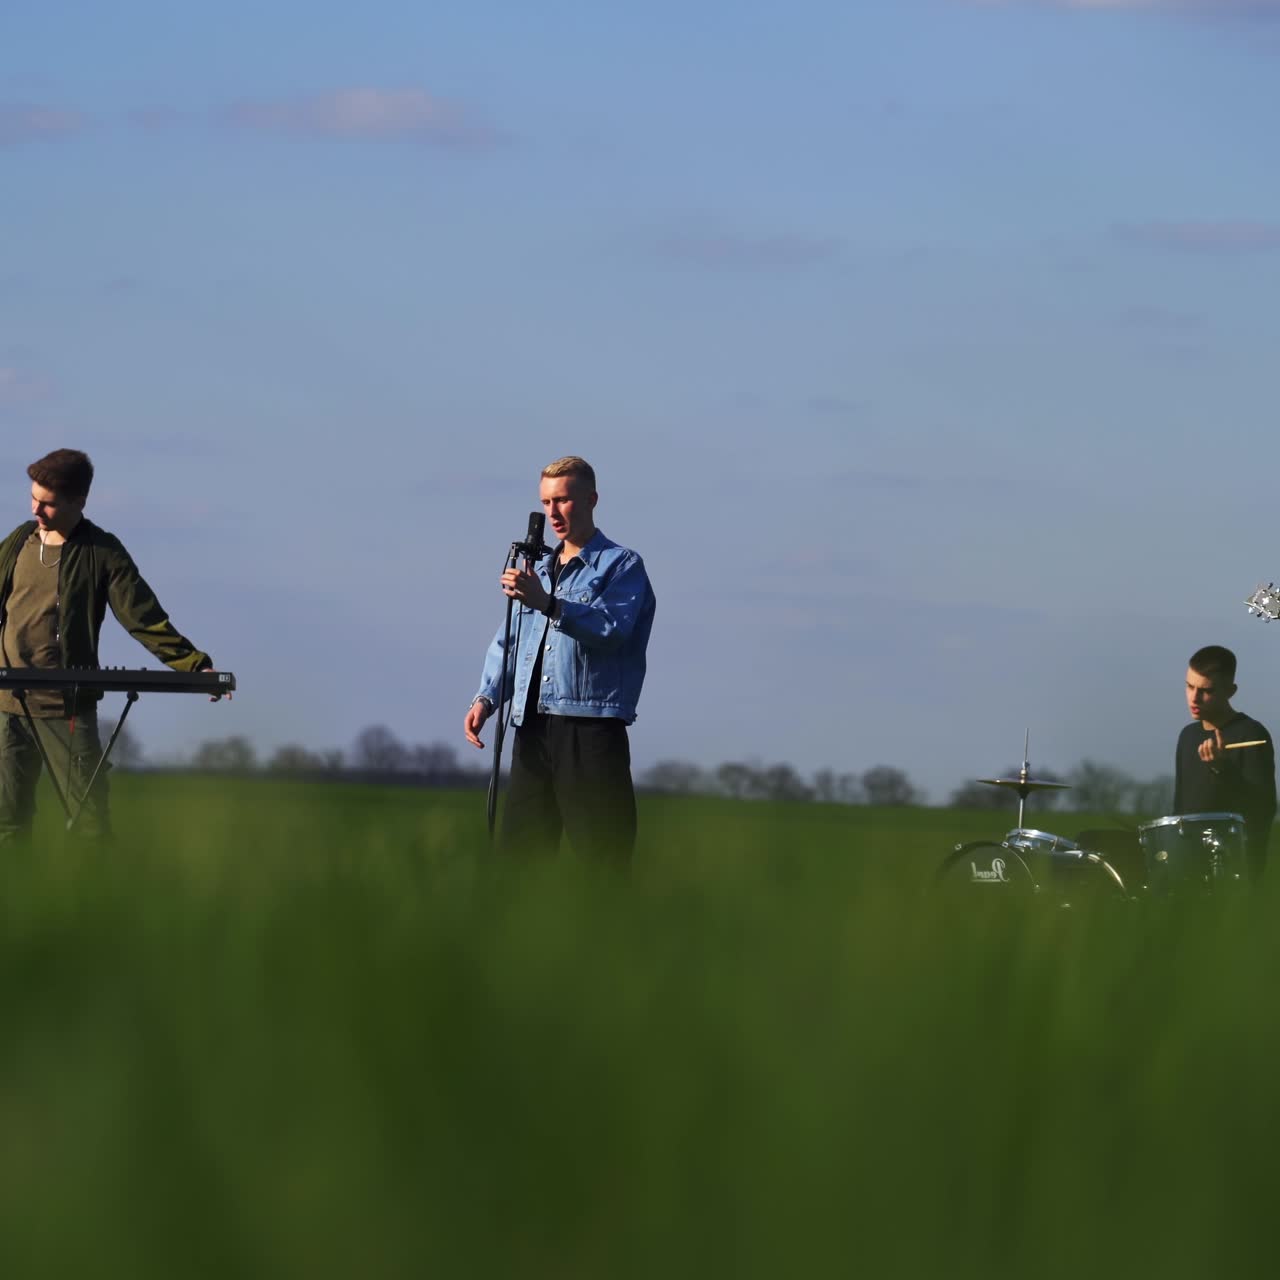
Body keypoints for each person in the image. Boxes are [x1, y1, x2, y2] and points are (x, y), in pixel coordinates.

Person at [0, 449, 217, 840]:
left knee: (90, 824)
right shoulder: (18, 543)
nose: (37, 510)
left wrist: (194, 665)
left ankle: (92, 899)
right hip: (6, 708)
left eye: (48, 503)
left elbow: (143, 616)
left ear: (78, 502)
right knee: (7, 824)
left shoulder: (102, 551)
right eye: (33, 499)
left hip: (64, 708)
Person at [464, 456, 656, 863]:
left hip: (589, 727)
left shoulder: (621, 565)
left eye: (563, 501)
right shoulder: (540, 570)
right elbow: (511, 641)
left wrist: (549, 604)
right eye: (547, 502)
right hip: (530, 727)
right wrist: (486, 698)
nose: (553, 512)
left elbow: (611, 630)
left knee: (601, 860)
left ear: (591, 500)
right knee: (519, 861)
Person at [1174, 645, 1276, 881]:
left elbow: (1262, 809)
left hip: (1232, 869)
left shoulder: (1250, 733)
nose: (1194, 698)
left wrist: (1221, 769)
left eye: (1206, 691)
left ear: (1230, 691)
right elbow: (1180, 809)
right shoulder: (1187, 736)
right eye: (1189, 686)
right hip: (1188, 864)